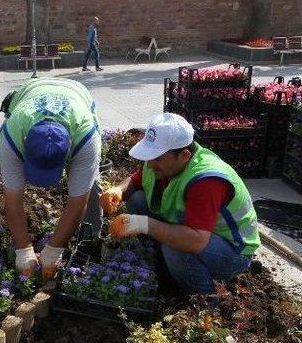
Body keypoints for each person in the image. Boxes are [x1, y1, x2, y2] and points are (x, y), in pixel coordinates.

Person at [0, 77, 103, 280]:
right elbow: (12, 201)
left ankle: (90, 239)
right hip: (31, 95)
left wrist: (54, 250)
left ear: (69, 154)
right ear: (24, 148)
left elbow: (77, 204)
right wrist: (24, 250)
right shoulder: (15, 132)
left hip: (77, 95)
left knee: (89, 184)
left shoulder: (86, 140)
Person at [101, 113, 260, 296]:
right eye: (150, 156)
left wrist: (140, 224)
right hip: (195, 232)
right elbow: (136, 181)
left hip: (231, 251)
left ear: (184, 155)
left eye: (158, 158)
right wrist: (118, 191)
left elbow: (195, 241)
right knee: (137, 199)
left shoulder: (206, 180)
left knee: (176, 249)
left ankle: (206, 300)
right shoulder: (160, 164)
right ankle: (159, 262)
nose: (151, 164)